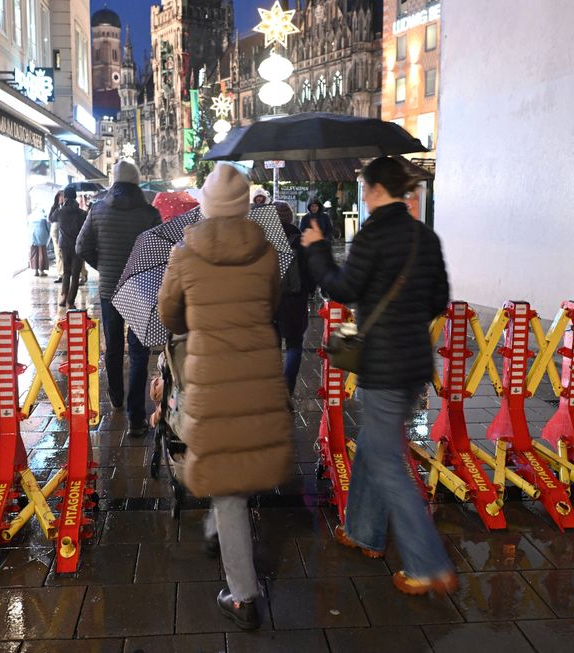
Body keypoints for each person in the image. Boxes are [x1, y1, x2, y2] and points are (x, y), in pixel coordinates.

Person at [301, 156, 455, 596]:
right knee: (373, 444)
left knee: (387, 460)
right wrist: (404, 322)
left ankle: (427, 564)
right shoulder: (424, 236)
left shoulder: (373, 234)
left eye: (365, 188)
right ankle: (363, 530)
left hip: (384, 363)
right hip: (412, 361)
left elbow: (341, 288)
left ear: (375, 189)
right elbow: (438, 297)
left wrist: (315, 247)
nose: (363, 195)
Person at [159, 163, 293, 630]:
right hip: (257, 369)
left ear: (205, 205)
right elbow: (272, 305)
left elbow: (170, 316)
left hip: (212, 376)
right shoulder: (267, 253)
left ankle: (243, 596)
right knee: (244, 456)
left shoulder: (184, 254)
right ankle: (219, 526)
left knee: (230, 487)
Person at [76, 160, 160, 437]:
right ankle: (137, 417)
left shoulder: (98, 210)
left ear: (113, 181)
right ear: (136, 182)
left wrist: (105, 266)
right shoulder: (149, 212)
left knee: (113, 347)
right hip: (140, 289)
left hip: (110, 288)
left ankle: (115, 397)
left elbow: (81, 246)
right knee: (138, 353)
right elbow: (160, 252)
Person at [273, 200, 314, 395]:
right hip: (295, 299)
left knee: (270, 346)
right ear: (289, 216)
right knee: (294, 344)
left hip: (270, 300)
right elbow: (310, 270)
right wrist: (310, 290)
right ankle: (287, 388)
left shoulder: (264, 240)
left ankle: (271, 386)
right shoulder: (301, 239)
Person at [54, 186, 87, 308]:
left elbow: (50, 218)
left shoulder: (60, 212)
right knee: (75, 274)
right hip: (77, 246)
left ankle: (63, 298)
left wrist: (56, 203)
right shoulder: (82, 213)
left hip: (64, 246)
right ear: (75, 196)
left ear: (65, 197)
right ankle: (70, 301)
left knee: (66, 272)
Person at [28, 203, 49, 276]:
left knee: (33, 252)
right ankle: (41, 271)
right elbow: (48, 226)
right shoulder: (44, 216)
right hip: (41, 235)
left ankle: (35, 271)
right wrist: (48, 234)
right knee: (41, 253)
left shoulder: (30, 216)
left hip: (31, 235)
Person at [48, 191, 64, 284]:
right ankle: (60, 274)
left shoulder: (67, 206)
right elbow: (50, 218)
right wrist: (58, 209)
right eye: (59, 197)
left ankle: (80, 274)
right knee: (58, 254)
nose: (61, 198)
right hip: (56, 233)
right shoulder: (55, 207)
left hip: (65, 232)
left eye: (62, 196)